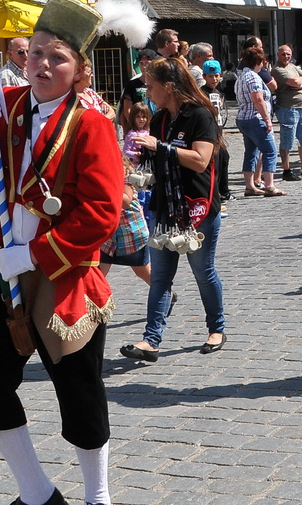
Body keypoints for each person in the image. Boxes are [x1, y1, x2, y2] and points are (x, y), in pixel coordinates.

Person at [0, 0, 124, 505]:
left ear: (79, 68)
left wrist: (35, 256)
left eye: (57, 57)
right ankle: (37, 495)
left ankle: (98, 501)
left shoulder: (92, 124)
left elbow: (102, 214)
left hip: (62, 271)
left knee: (77, 389)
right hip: (3, 266)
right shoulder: (3, 107)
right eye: (34, 54)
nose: (42, 65)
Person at [122, 58, 227, 361]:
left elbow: (200, 160)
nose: (147, 92)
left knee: (202, 271)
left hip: (197, 206)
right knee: (160, 278)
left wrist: (160, 148)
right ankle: (150, 340)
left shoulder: (200, 115)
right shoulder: (159, 119)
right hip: (164, 205)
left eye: (151, 86)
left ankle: (216, 328)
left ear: (169, 87)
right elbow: (155, 159)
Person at [104, 101, 154, 288]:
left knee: (142, 271)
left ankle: (167, 295)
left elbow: (125, 201)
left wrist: (104, 190)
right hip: (110, 232)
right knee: (100, 273)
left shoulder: (123, 170)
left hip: (130, 230)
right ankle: (94, 311)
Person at [235, 45, 282, 196]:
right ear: (258, 62)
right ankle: (269, 185)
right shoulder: (254, 77)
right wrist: (267, 120)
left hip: (243, 118)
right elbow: (258, 99)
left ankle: (249, 186)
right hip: (255, 118)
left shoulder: (241, 76)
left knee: (251, 151)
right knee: (270, 151)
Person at [272, 45, 302, 182]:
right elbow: (294, 81)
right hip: (288, 108)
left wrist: (301, 83)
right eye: (283, 54)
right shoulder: (277, 70)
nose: (286, 56)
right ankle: (287, 170)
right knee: (287, 141)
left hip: (301, 108)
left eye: (288, 54)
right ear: (278, 55)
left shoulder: (292, 66)